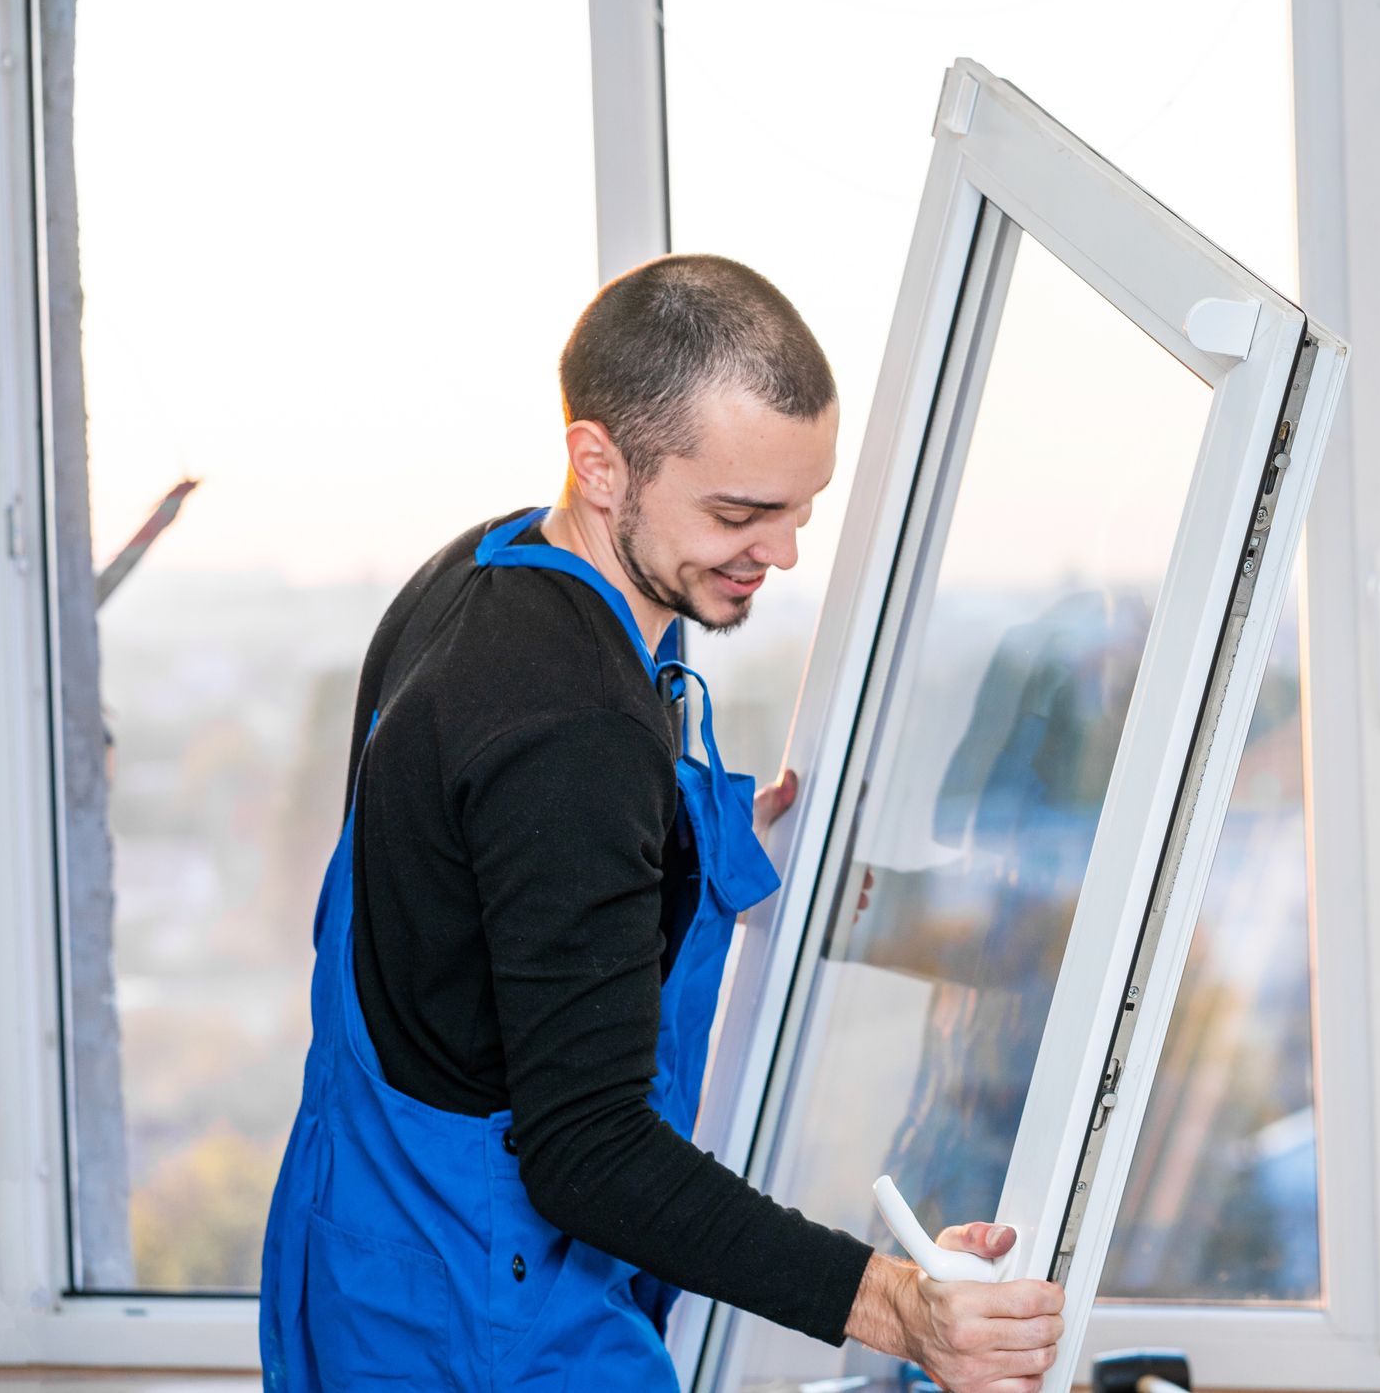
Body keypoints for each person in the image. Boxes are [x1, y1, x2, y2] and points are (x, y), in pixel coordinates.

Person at [259, 255, 1065, 1392]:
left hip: (368, 1234)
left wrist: (705, 847)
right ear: (601, 463)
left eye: (801, 509)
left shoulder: (488, 575)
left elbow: (492, 880)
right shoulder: (569, 727)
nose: (781, 551)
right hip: (483, 1311)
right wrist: (900, 1306)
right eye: (741, 512)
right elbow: (587, 1154)